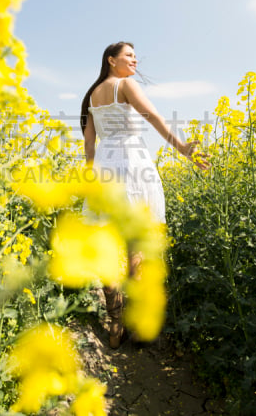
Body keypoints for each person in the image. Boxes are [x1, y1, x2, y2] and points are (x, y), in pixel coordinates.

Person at [80, 41, 210, 349]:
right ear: (111, 60)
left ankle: (115, 324)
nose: (135, 60)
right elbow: (151, 116)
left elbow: (89, 146)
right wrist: (182, 148)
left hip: (104, 168)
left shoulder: (92, 96)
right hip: (132, 164)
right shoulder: (126, 84)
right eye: (128, 55)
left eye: (135, 56)